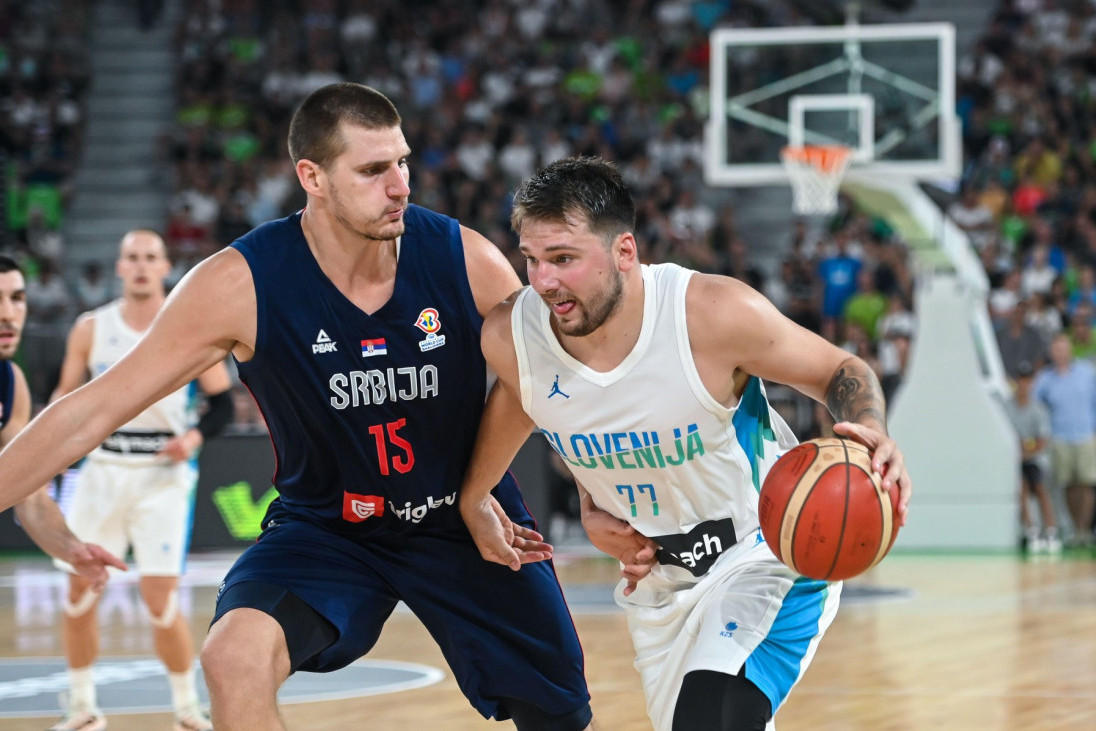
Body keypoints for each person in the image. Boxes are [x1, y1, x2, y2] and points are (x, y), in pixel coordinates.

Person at [0, 83, 595, 731]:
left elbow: (539, 378)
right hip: (328, 530)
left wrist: (512, 495)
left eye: (402, 162)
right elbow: (92, 409)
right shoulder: (240, 283)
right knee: (233, 656)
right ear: (312, 177)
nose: (400, 185)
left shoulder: (464, 256)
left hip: (462, 515)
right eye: (373, 170)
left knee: (562, 717)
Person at [459, 157, 912, 731]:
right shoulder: (513, 336)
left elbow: (838, 370)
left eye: (564, 259)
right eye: (532, 259)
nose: (544, 281)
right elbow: (526, 401)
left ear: (624, 252)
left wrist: (871, 429)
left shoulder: (710, 314)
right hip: (658, 585)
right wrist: (483, 498)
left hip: (766, 550)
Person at [47, 229, 235, 731]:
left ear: (166, 266)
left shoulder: (189, 325)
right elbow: (64, 397)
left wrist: (192, 439)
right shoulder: (91, 328)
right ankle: (83, 707)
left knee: (160, 600)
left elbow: (221, 404)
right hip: (103, 470)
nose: (141, 266)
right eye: (132, 257)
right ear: (119, 266)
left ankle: (186, 709)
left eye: (151, 257)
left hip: (163, 475)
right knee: (80, 592)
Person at [1, 254, 125, 587]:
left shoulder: (11, 382)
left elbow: (28, 493)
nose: (8, 314)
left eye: (17, 298)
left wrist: (70, 548)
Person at [1033, 332, 1096, 547]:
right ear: (1052, 352)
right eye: (1056, 349)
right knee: (1068, 483)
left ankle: (1084, 530)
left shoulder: (1086, 373)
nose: (1060, 352)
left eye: (1063, 347)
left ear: (1070, 349)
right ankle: (1075, 529)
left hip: (1086, 434)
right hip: (1060, 436)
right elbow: (1036, 405)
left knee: (1086, 482)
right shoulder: (1045, 379)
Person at [1004, 361, 1060, 554]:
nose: (1023, 384)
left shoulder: (1038, 409)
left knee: (1040, 486)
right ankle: (1031, 529)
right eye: (1021, 380)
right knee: (1022, 487)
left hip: (1033, 458)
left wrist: (1026, 452)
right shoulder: (1007, 406)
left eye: (1027, 381)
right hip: (1014, 459)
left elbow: (1042, 440)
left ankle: (1051, 530)